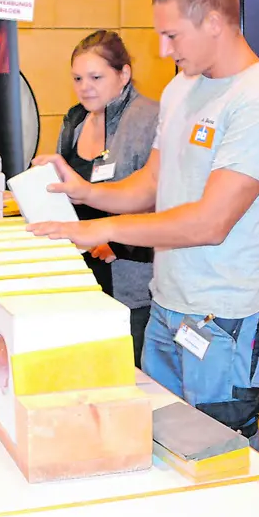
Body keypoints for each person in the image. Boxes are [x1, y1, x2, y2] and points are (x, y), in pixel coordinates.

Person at [29, 0, 259, 449]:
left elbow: (211, 222)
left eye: (172, 35)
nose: (163, 50)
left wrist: (104, 230)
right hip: (167, 306)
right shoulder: (182, 89)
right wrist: (86, 193)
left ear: (214, 23)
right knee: (160, 447)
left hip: (225, 317)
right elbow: (153, 182)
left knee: (219, 456)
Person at [53, 31, 159, 367]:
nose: (86, 87)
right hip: (79, 270)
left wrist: (117, 242)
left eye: (96, 77)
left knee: (131, 376)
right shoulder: (73, 121)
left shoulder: (149, 117)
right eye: (78, 79)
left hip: (131, 272)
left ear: (124, 74)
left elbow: (161, 198)